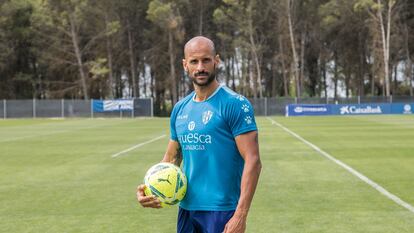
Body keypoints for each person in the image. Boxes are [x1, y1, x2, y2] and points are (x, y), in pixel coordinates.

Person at [136, 36, 262, 233]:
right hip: (187, 209)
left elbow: (253, 160)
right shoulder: (180, 108)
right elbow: (171, 158)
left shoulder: (235, 104)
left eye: (206, 60)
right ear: (185, 65)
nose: (200, 67)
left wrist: (241, 214)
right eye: (194, 61)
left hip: (222, 210)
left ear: (216, 61)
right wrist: (149, 189)